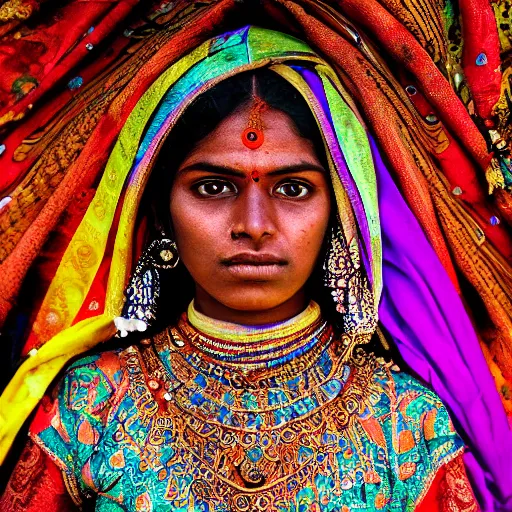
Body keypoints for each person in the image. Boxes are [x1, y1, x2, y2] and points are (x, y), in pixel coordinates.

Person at [0, 27, 480, 511]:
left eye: (292, 188)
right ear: (163, 209)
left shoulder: (405, 419)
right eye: (213, 187)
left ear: (339, 210)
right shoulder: (93, 403)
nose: (254, 225)